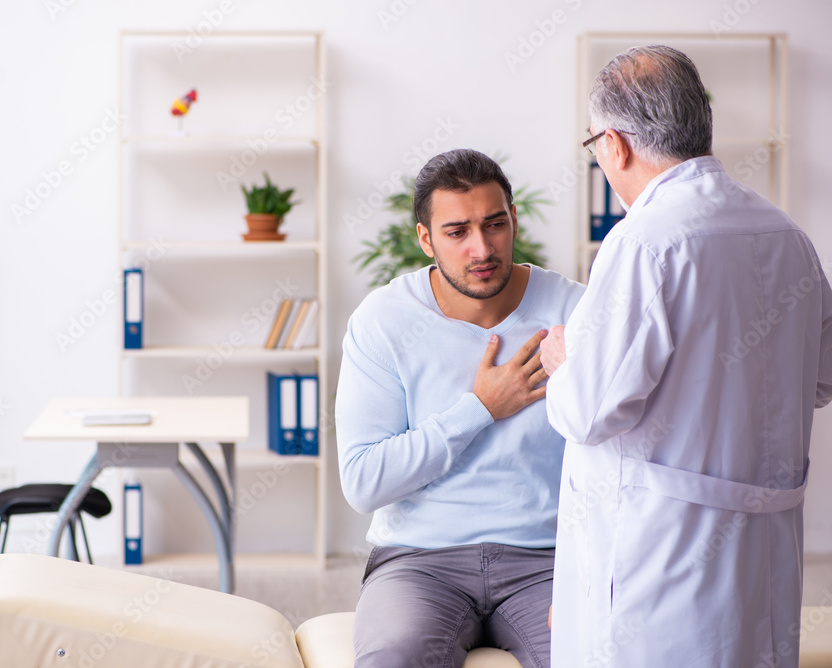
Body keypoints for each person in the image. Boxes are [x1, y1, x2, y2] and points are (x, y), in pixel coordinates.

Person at [538, 45, 832, 668]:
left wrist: (564, 362)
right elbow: (822, 378)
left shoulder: (642, 242)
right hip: (764, 549)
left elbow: (589, 414)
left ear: (614, 144)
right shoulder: (787, 234)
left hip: (663, 554)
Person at [336, 148, 584, 668]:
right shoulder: (383, 321)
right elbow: (364, 481)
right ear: (425, 239)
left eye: (495, 224)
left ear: (514, 220)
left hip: (548, 560)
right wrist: (480, 408)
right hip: (419, 562)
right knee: (392, 659)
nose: (482, 248)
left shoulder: (575, 312)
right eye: (457, 232)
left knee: (593, 656)